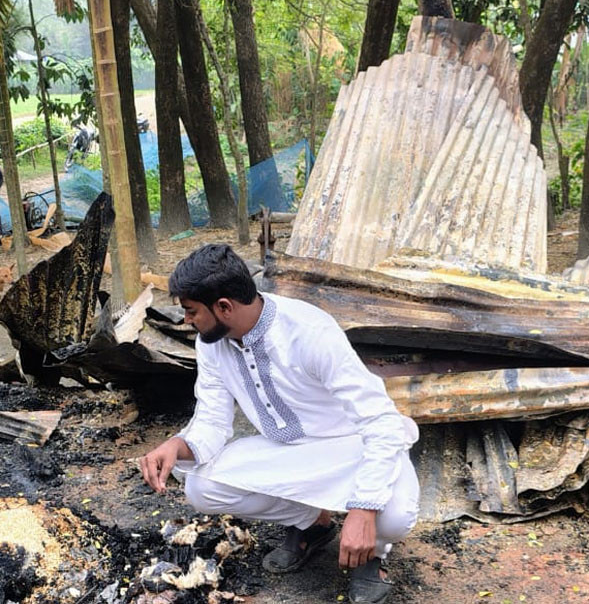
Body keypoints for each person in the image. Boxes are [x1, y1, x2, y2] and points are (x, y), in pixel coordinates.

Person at [139, 244, 420, 604]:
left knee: (393, 517)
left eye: (192, 312)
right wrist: (176, 445)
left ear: (224, 306)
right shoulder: (211, 343)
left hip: (352, 446)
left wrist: (364, 509)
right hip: (288, 450)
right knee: (201, 487)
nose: (187, 321)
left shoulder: (309, 331)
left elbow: (380, 421)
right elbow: (211, 419)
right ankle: (313, 524)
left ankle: (373, 555)